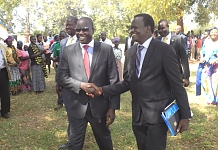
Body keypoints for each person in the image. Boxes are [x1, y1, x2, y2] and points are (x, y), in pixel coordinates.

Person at [87, 13, 191, 150]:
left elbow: (177, 85)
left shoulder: (165, 50)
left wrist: (185, 115)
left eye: (136, 27)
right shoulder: (130, 52)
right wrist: (102, 90)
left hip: (157, 116)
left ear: (148, 28)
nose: (132, 31)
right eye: (131, 28)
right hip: (138, 116)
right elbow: (127, 82)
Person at [56, 17, 120, 150]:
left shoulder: (106, 50)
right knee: (74, 144)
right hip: (76, 105)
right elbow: (61, 77)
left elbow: (114, 81)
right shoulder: (68, 51)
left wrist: (112, 107)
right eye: (78, 30)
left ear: (93, 30)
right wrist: (80, 85)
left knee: (105, 142)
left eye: (84, 29)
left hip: (100, 107)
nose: (80, 32)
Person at [58, 16, 78, 150]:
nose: (67, 27)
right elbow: (61, 64)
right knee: (70, 113)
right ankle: (72, 141)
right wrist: (58, 83)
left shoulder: (83, 41)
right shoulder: (63, 42)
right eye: (66, 25)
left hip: (80, 83)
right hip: (66, 84)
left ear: (77, 25)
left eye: (70, 24)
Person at [156, 19, 190, 87]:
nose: (161, 31)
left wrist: (186, 76)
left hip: (175, 74)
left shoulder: (178, 39)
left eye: (163, 28)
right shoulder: (156, 41)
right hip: (160, 76)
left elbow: (184, 58)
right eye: (159, 29)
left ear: (168, 27)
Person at [200, 27, 218, 105]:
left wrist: (216, 60)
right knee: (206, 81)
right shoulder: (206, 42)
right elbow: (202, 51)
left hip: (216, 66)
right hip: (207, 65)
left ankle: (215, 99)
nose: (213, 34)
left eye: (215, 32)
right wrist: (201, 57)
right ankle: (209, 98)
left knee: (215, 83)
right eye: (212, 32)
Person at [51, 31, 67, 110]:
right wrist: (53, 59)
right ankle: (60, 103)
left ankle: (68, 103)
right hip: (60, 68)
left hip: (69, 69)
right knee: (59, 86)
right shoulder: (57, 46)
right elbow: (55, 58)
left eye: (63, 36)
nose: (62, 38)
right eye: (60, 37)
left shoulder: (69, 44)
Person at [0, 43, 11, 119]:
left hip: (3, 71)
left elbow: (8, 56)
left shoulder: (2, 46)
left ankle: (5, 111)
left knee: (5, 91)